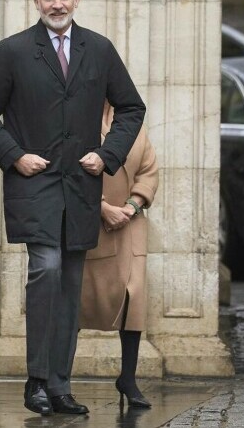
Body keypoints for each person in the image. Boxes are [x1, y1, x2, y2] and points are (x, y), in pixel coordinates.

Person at [0, 0, 145, 416]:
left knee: (70, 284)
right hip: (35, 184)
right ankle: (35, 381)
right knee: (46, 269)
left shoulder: (100, 49)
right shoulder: (12, 50)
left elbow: (131, 107)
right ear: (36, 1)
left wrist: (107, 155)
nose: (56, 3)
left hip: (82, 187)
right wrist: (14, 156)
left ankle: (59, 386)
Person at [80, 103, 158, 410]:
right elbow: (69, 170)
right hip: (90, 220)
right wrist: (102, 208)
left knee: (133, 298)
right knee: (78, 302)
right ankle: (57, 381)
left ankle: (128, 377)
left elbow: (149, 170)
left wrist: (132, 206)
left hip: (130, 222)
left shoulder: (132, 123)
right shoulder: (76, 115)